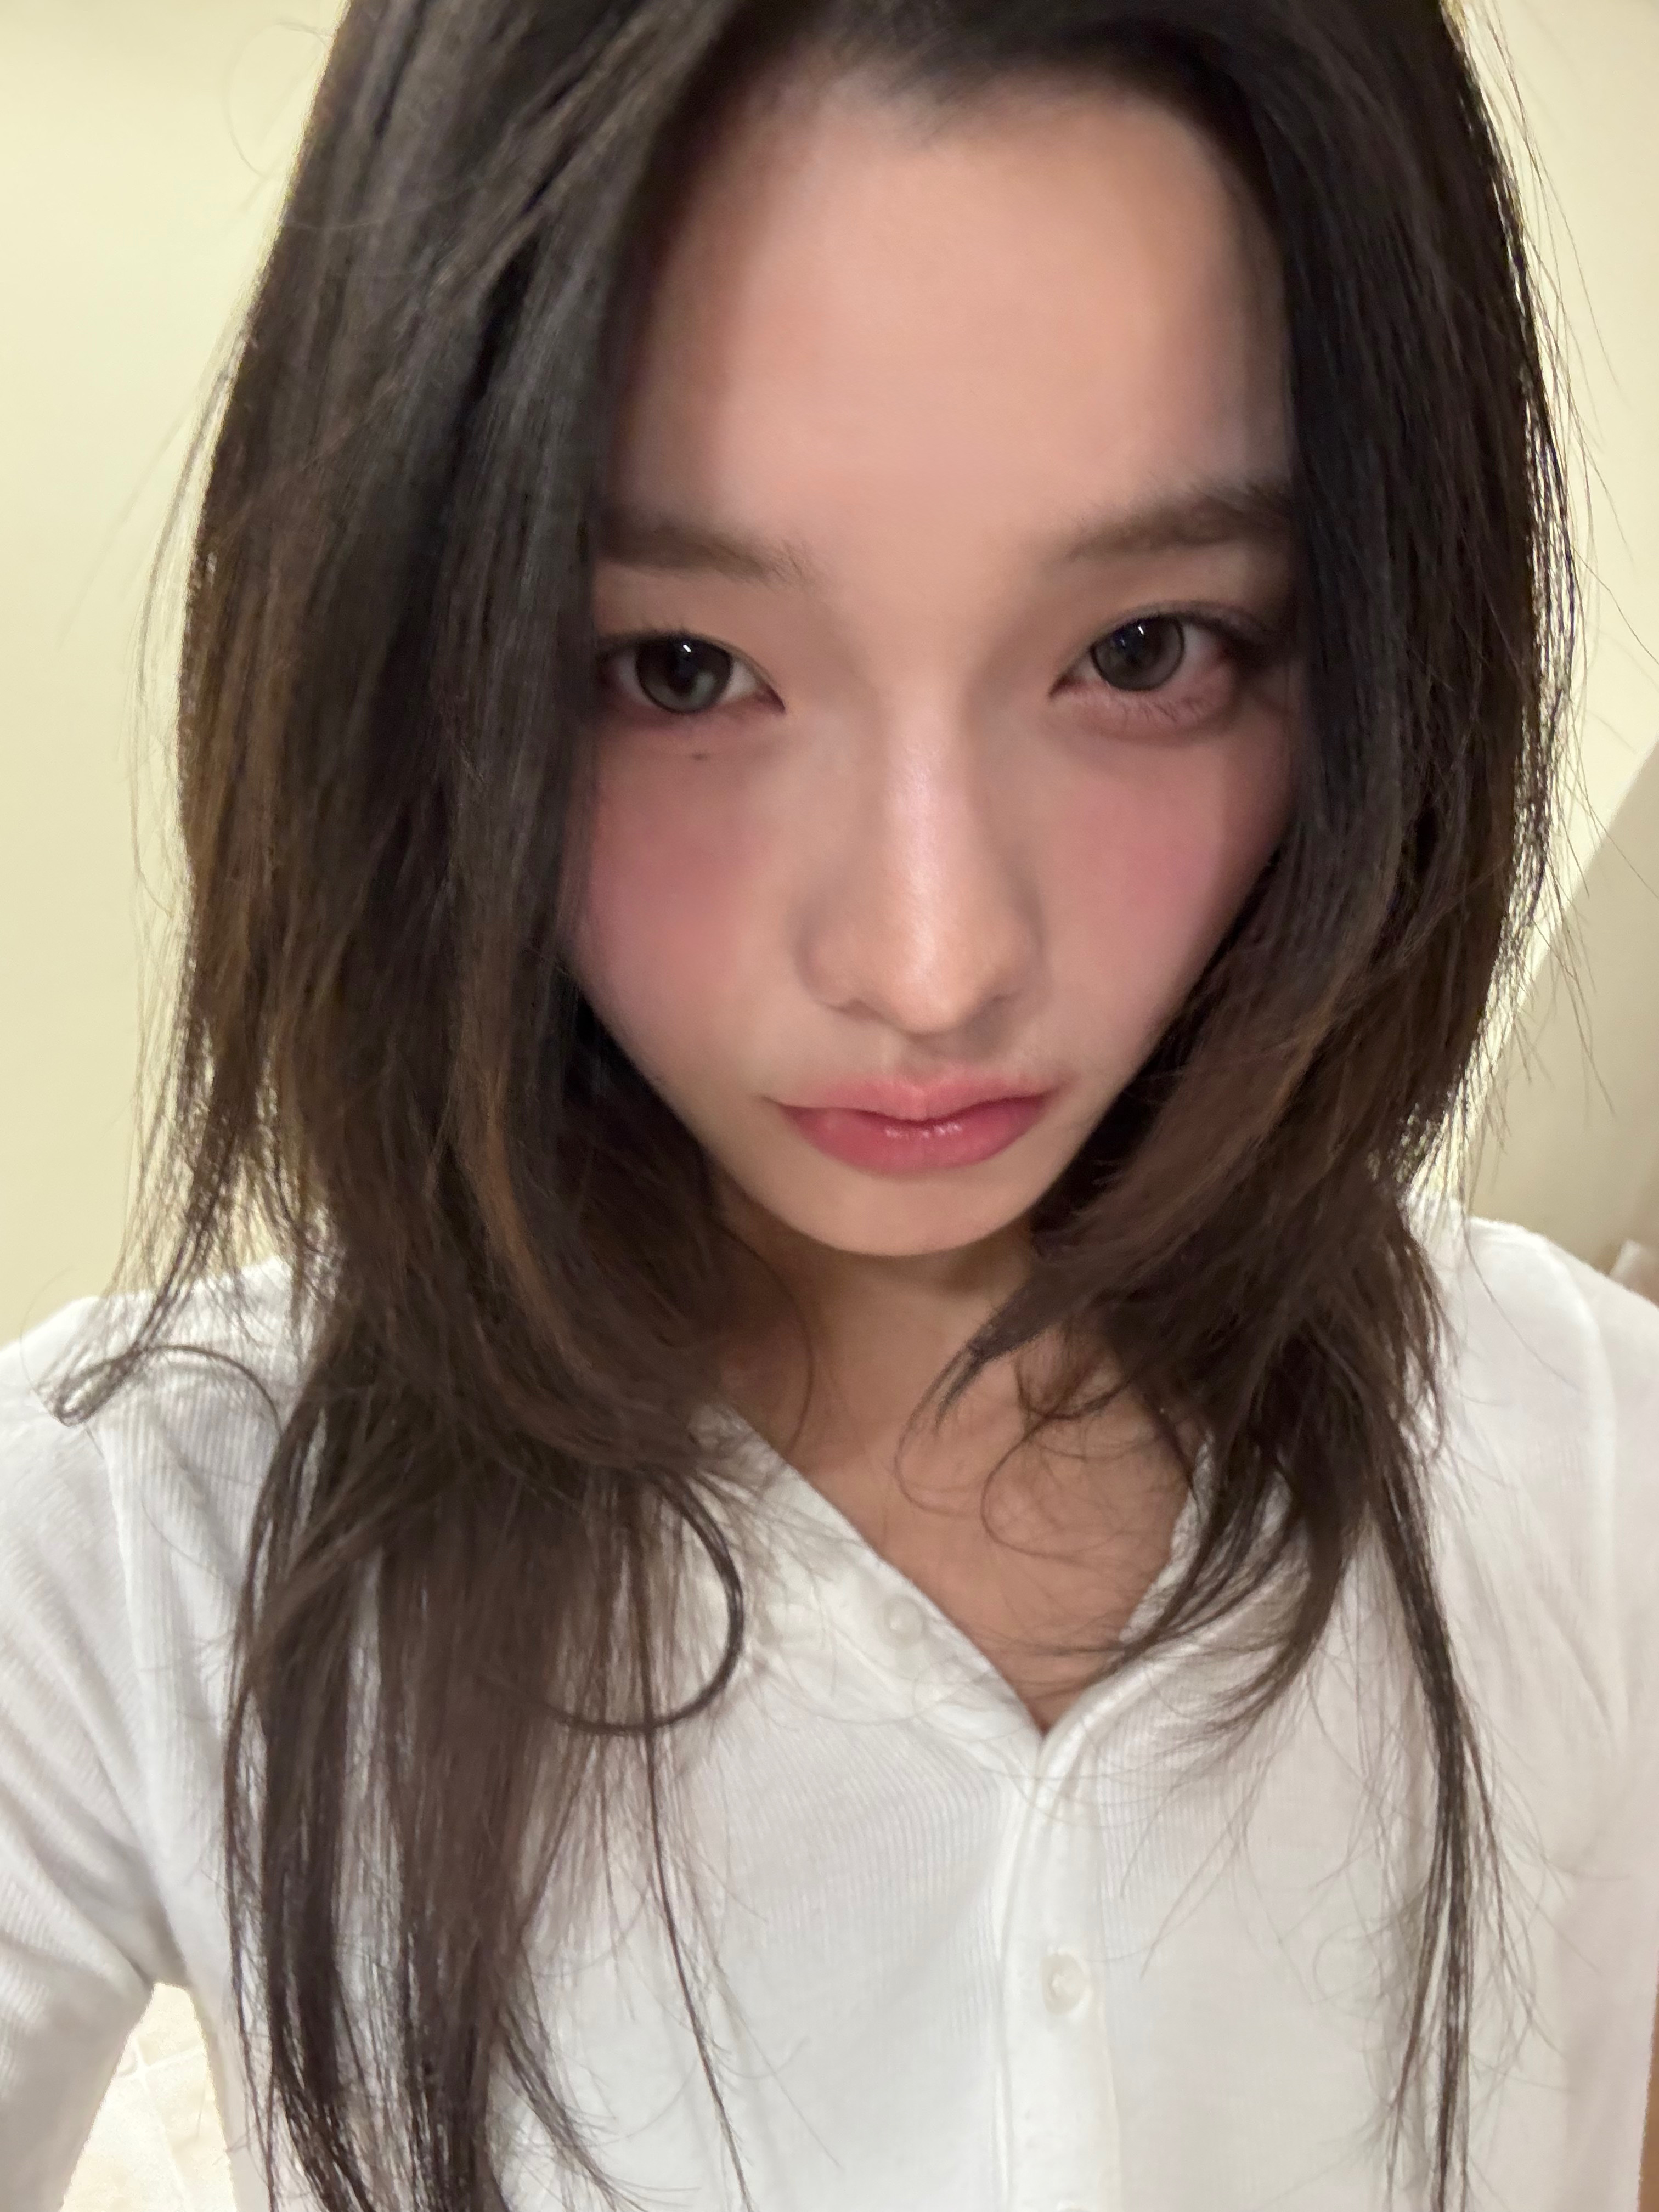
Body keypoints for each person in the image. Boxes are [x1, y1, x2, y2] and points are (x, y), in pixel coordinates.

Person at [3, 2, 1657, 2208]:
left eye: (1146, 650)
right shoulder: (141, 1532)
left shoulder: (1597, 1473)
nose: (930, 960)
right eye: (680, 671)